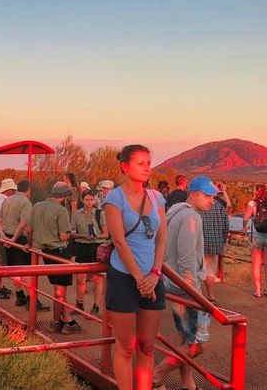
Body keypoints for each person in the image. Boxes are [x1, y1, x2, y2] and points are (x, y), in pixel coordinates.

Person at [104, 144, 166, 390]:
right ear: (125, 167)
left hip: (152, 277)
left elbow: (162, 238)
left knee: (147, 345)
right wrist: (141, 279)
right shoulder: (114, 198)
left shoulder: (156, 197)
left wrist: (155, 273)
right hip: (124, 277)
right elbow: (119, 241)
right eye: (141, 163)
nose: (147, 168)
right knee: (126, 347)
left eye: (149, 163)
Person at [153, 176, 219, 390]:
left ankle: (187, 383)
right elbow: (187, 258)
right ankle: (155, 377)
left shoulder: (174, 211)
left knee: (183, 338)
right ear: (193, 194)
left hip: (171, 282)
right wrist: (195, 293)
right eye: (207, 196)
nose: (212, 200)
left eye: (213, 196)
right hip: (185, 287)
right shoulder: (191, 217)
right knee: (197, 345)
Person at [31, 181, 82, 332]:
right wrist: (75, 234)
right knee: (60, 291)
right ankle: (55, 323)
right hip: (59, 251)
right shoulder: (61, 211)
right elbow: (63, 235)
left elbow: (29, 228)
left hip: (45, 252)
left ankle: (68, 321)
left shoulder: (37, 206)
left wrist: (29, 244)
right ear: (66, 196)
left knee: (58, 289)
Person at [0, 179, 38, 307]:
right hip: (19, 239)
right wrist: (14, 239)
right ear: (28, 190)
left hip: (6, 236)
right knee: (25, 270)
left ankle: (20, 296)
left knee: (14, 268)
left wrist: (4, 237)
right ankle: (32, 301)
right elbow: (23, 224)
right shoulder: (26, 203)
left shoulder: (7, 200)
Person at [70, 189, 108, 315]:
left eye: (91, 199)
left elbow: (106, 234)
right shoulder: (77, 214)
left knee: (98, 279)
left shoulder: (100, 214)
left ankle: (96, 306)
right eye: (87, 199)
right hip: (82, 246)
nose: (89, 202)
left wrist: (95, 237)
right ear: (82, 200)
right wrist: (82, 236)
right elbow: (72, 232)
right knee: (80, 278)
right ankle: (79, 304)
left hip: (96, 247)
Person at [199, 183, 230, 303]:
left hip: (201, 243)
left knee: (199, 270)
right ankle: (210, 297)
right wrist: (222, 242)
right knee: (209, 271)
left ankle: (204, 297)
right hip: (214, 244)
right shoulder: (219, 206)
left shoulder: (198, 207)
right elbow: (225, 227)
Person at [0, 178, 17, 299]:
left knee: (3, 262)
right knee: (2, 263)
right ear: (9, 190)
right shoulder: (2, 202)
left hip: (1, 234)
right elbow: (1, 221)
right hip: (2, 235)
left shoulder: (1, 201)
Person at [244, 184, 267, 297]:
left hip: (256, 236)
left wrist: (244, 227)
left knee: (256, 264)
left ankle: (258, 291)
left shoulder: (253, 203)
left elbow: (245, 218)